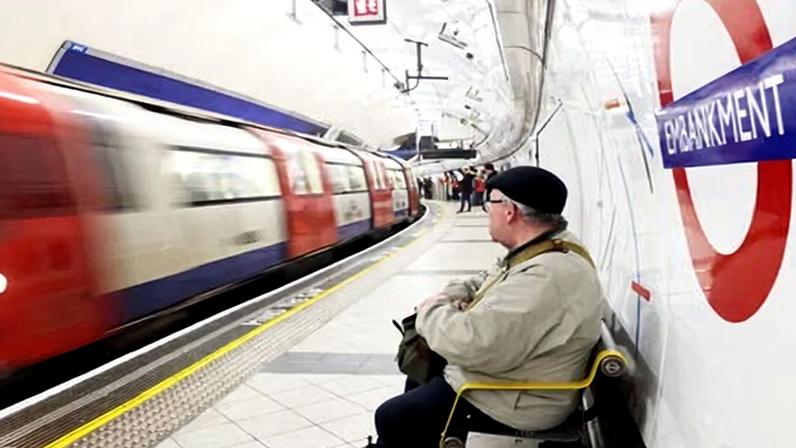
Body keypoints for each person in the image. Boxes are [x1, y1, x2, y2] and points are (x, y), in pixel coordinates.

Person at [371, 166, 602, 448]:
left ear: (509, 211)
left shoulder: (547, 274)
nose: (485, 211)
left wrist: (429, 312)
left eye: (488, 203)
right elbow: (482, 280)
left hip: (518, 400)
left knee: (393, 416)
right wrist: (450, 298)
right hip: (518, 378)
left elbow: (469, 343)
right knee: (418, 377)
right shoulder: (546, 248)